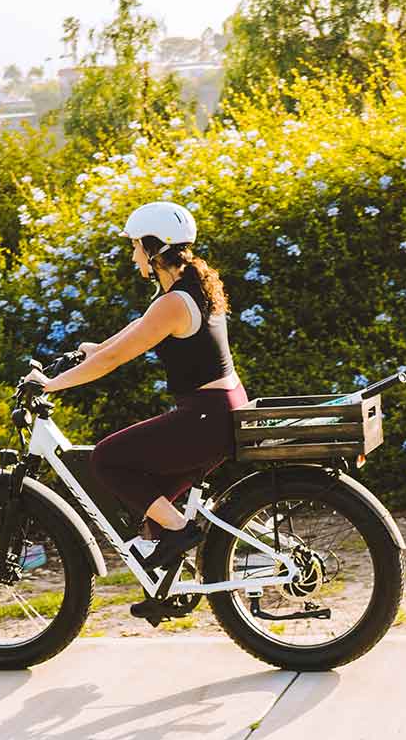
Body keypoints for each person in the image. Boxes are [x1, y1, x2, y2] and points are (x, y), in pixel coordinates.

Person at [23, 200, 246, 579]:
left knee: (108, 460)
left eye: (134, 246)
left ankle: (183, 533)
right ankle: (169, 586)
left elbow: (116, 360)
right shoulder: (186, 291)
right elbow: (130, 336)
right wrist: (93, 349)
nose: (132, 256)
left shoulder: (174, 302)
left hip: (205, 417)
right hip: (218, 411)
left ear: (152, 246)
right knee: (147, 499)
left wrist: (53, 384)